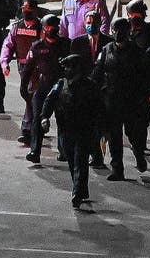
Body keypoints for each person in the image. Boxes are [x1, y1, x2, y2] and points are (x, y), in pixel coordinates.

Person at [91, 18, 150, 180]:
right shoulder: (106, 50)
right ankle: (117, 169)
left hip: (132, 100)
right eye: (115, 30)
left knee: (134, 134)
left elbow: (148, 75)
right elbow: (97, 73)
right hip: (112, 100)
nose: (118, 34)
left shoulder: (138, 52)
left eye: (122, 31)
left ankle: (139, 154)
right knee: (114, 137)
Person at [39, 54, 103, 208]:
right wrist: (44, 117)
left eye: (70, 67)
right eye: (66, 67)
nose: (67, 70)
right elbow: (49, 101)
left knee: (80, 161)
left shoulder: (90, 86)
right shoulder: (61, 84)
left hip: (83, 130)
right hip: (65, 130)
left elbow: (99, 108)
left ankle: (77, 193)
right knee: (70, 159)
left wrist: (101, 128)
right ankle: (81, 188)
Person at [22, 14, 71, 164]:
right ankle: (35, 151)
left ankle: (63, 151)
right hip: (42, 87)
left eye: (54, 27)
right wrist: (24, 87)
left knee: (63, 120)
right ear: (43, 29)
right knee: (38, 118)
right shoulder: (37, 46)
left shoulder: (66, 44)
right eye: (48, 27)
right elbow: (28, 68)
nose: (51, 30)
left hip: (61, 88)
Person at [70, 10, 112, 167]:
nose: (90, 25)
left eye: (93, 22)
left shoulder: (108, 42)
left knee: (101, 124)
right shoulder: (77, 43)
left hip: (103, 88)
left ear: (100, 23)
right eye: (87, 23)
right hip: (85, 89)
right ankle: (95, 155)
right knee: (88, 123)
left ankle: (100, 153)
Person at [0, 0, 42, 144]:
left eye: (29, 9)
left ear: (35, 11)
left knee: (31, 95)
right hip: (23, 66)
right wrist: (5, 63)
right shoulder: (16, 27)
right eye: (24, 9)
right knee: (30, 95)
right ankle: (39, 123)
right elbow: (8, 45)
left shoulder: (41, 27)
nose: (26, 12)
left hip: (38, 67)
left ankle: (27, 129)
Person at [126, 0, 150, 153]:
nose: (134, 18)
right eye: (131, 14)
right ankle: (134, 139)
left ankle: (140, 144)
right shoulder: (124, 30)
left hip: (145, 81)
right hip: (127, 81)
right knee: (129, 119)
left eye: (137, 14)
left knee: (143, 117)